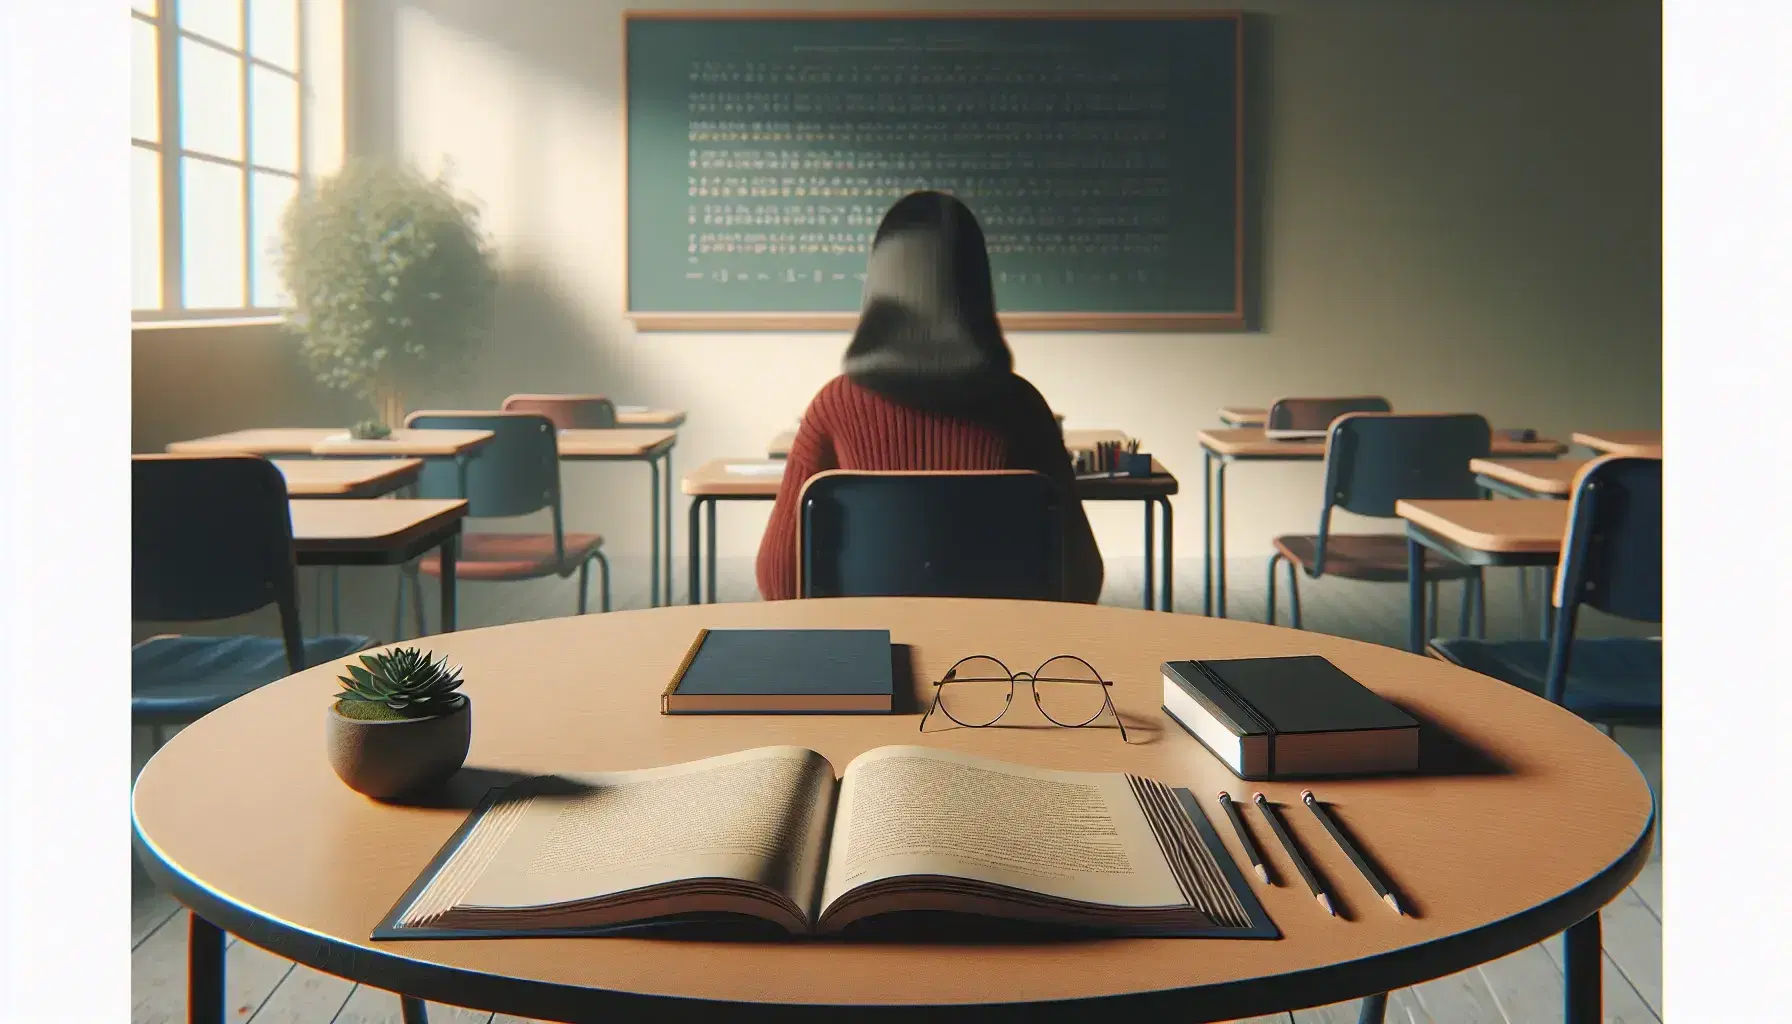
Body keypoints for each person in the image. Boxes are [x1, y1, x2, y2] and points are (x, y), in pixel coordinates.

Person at [754, 190, 1104, 602]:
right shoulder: (1022, 406)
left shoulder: (835, 405)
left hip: (867, 646)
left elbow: (778, 578)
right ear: (976, 290)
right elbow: (1081, 578)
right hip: (998, 652)